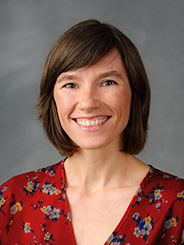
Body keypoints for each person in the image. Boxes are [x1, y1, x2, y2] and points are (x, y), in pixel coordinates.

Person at [0, 19, 183, 245]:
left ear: (134, 94)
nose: (87, 103)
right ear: (53, 99)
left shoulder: (177, 205)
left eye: (107, 82)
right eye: (71, 84)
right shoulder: (13, 200)